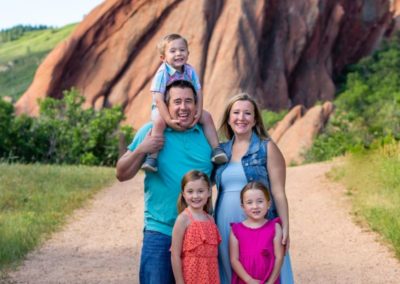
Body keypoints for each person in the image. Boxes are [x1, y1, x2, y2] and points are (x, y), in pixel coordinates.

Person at [116, 80, 214, 284]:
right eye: (177, 101)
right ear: (166, 106)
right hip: (160, 231)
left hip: (198, 234)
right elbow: (122, 174)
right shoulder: (152, 132)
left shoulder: (206, 135)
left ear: (196, 105)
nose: (183, 107)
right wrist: (142, 148)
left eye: (189, 101)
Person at [214, 93, 294, 283]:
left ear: (255, 119)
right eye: (236, 113)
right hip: (225, 223)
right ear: (228, 118)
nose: (241, 118)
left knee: (265, 271)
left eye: (247, 113)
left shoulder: (267, 148)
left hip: (261, 224)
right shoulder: (220, 151)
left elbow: (278, 192)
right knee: (230, 270)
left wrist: (285, 228)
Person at [141, 33, 227, 172]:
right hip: (162, 107)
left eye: (182, 50)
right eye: (173, 51)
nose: (178, 54)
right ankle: (153, 158)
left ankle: (216, 149)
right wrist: (168, 119)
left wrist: (198, 111)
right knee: (158, 122)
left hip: (184, 106)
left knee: (207, 117)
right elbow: (158, 98)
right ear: (163, 58)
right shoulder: (162, 73)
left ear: (188, 53)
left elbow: (198, 91)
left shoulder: (190, 70)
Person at [171, 170, 221, 284]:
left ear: (208, 192)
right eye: (190, 191)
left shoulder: (211, 219)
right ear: (183, 194)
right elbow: (175, 255)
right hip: (191, 276)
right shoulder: (182, 219)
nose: (195, 196)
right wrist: (179, 281)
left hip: (211, 275)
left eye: (200, 191)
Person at [230, 182, 284, 284]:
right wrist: (249, 280)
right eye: (249, 202)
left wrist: (271, 282)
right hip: (244, 280)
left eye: (260, 201)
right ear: (243, 207)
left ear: (268, 204)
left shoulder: (275, 227)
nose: (255, 206)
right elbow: (234, 259)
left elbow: (279, 257)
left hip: (268, 279)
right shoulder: (236, 230)